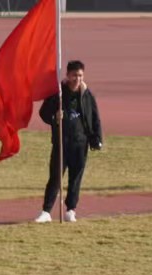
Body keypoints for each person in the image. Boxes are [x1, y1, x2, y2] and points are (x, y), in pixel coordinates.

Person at [35, 60, 103, 224]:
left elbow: (95, 118)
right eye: (74, 75)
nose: (77, 79)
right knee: (55, 177)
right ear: (67, 75)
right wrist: (54, 117)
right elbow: (43, 113)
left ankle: (70, 210)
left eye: (80, 75)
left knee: (76, 177)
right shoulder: (58, 93)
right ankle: (46, 211)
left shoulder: (86, 95)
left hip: (80, 143)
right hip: (62, 142)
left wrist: (97, 139)